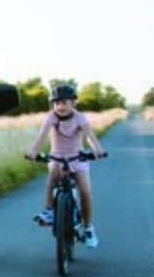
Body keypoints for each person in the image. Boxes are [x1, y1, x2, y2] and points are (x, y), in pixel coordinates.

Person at [25, 84, 107, 247]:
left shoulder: (80, 118)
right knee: (51, 181)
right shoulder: (51, 117)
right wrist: (33, 151)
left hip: (78, 158)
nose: (60, 107)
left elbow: (90, 136)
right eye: (56, 103)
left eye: (64, 103)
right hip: (57, 157)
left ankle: (88, 227)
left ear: (73, 103)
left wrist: (98, 150)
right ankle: (49, 211)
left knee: (85, 191)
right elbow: (41, 135)